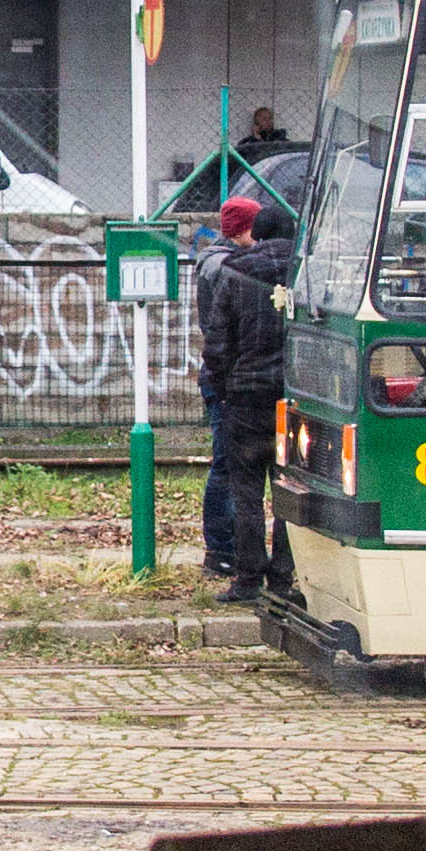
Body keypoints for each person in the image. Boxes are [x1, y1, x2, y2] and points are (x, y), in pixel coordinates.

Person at [195, 190, 294, 596]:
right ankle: (284, 577)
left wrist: (227, 389)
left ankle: (249, 576)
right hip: (294, 400)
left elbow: (217, 345)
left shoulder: (234, 275)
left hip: (246, 397)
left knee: (247, 490)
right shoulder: (305, 275)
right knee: (290, 491)